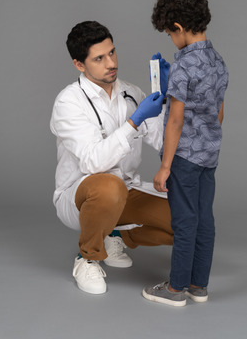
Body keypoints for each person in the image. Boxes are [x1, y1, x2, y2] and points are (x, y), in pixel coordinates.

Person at [50, 20, 173, 295]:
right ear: (79, 65)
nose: (111, 63)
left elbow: (164, 144)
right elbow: (93, 163)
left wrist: (169, 98)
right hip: (80, 196)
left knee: (189, 222)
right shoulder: (68, 102)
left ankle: (114, 235)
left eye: (112, 52)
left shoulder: (132, 93)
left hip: (126, 191)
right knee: (108, 185)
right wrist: (134, 122)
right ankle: (88, 257)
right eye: (99, 58)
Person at [142, 0, 229, 307]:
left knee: (183, 220)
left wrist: (165, 165)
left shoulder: (183, 66)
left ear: (178, 28)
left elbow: (175, 119)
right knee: (205, 219)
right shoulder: (218, 62)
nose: (171, 39)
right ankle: (198, 285)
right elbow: (218, 112)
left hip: (183, 157)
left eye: (169, 34)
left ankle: (175, 289)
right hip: (209, 155)